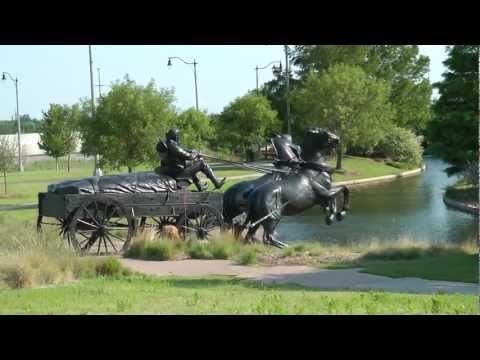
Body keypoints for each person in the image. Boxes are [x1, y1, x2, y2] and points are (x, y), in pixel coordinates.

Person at [155, 128, 226, 191]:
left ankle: (200, 186)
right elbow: (188, 156)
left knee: (191, 165)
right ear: (175, 136)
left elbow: (182, 150)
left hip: (172, 170)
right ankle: (217, 183)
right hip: (178, 173)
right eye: (178, 136)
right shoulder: (173, 146)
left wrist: (192, 151)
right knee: (201, 163)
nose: (179, 137)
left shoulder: (168, 144)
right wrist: (195, 154)